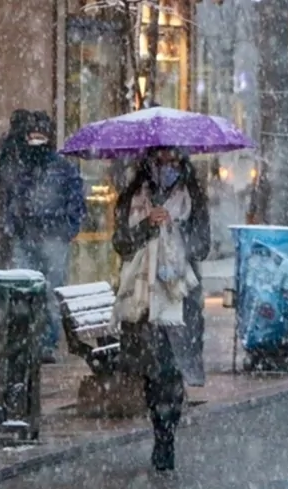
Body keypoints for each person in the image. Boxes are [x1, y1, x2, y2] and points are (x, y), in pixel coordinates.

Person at [111, 146, 210, 472]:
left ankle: (167, 435)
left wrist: (174, 228)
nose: (166, 167)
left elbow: (202, 245)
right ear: (148, 163)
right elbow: (122, 242)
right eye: (160, 161)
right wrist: (148, 226)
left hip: (179, 295)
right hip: (142, 297)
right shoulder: (134, 195)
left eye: (172, 161)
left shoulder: (191, 196)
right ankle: (160, 428)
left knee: (173, 370)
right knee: (154, 373)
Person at [0, 109, 86, 363]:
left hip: (53, 238)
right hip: (27, 236)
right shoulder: (23, 165)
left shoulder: (61, 168)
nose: (36, 141)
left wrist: (67, 229)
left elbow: (76, 200)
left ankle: (46, 343)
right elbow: (10, 195)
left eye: (40, 136)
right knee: (26, 291)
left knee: (50, 293)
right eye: (32, 136)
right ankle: (29, 341)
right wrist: (14, 225)